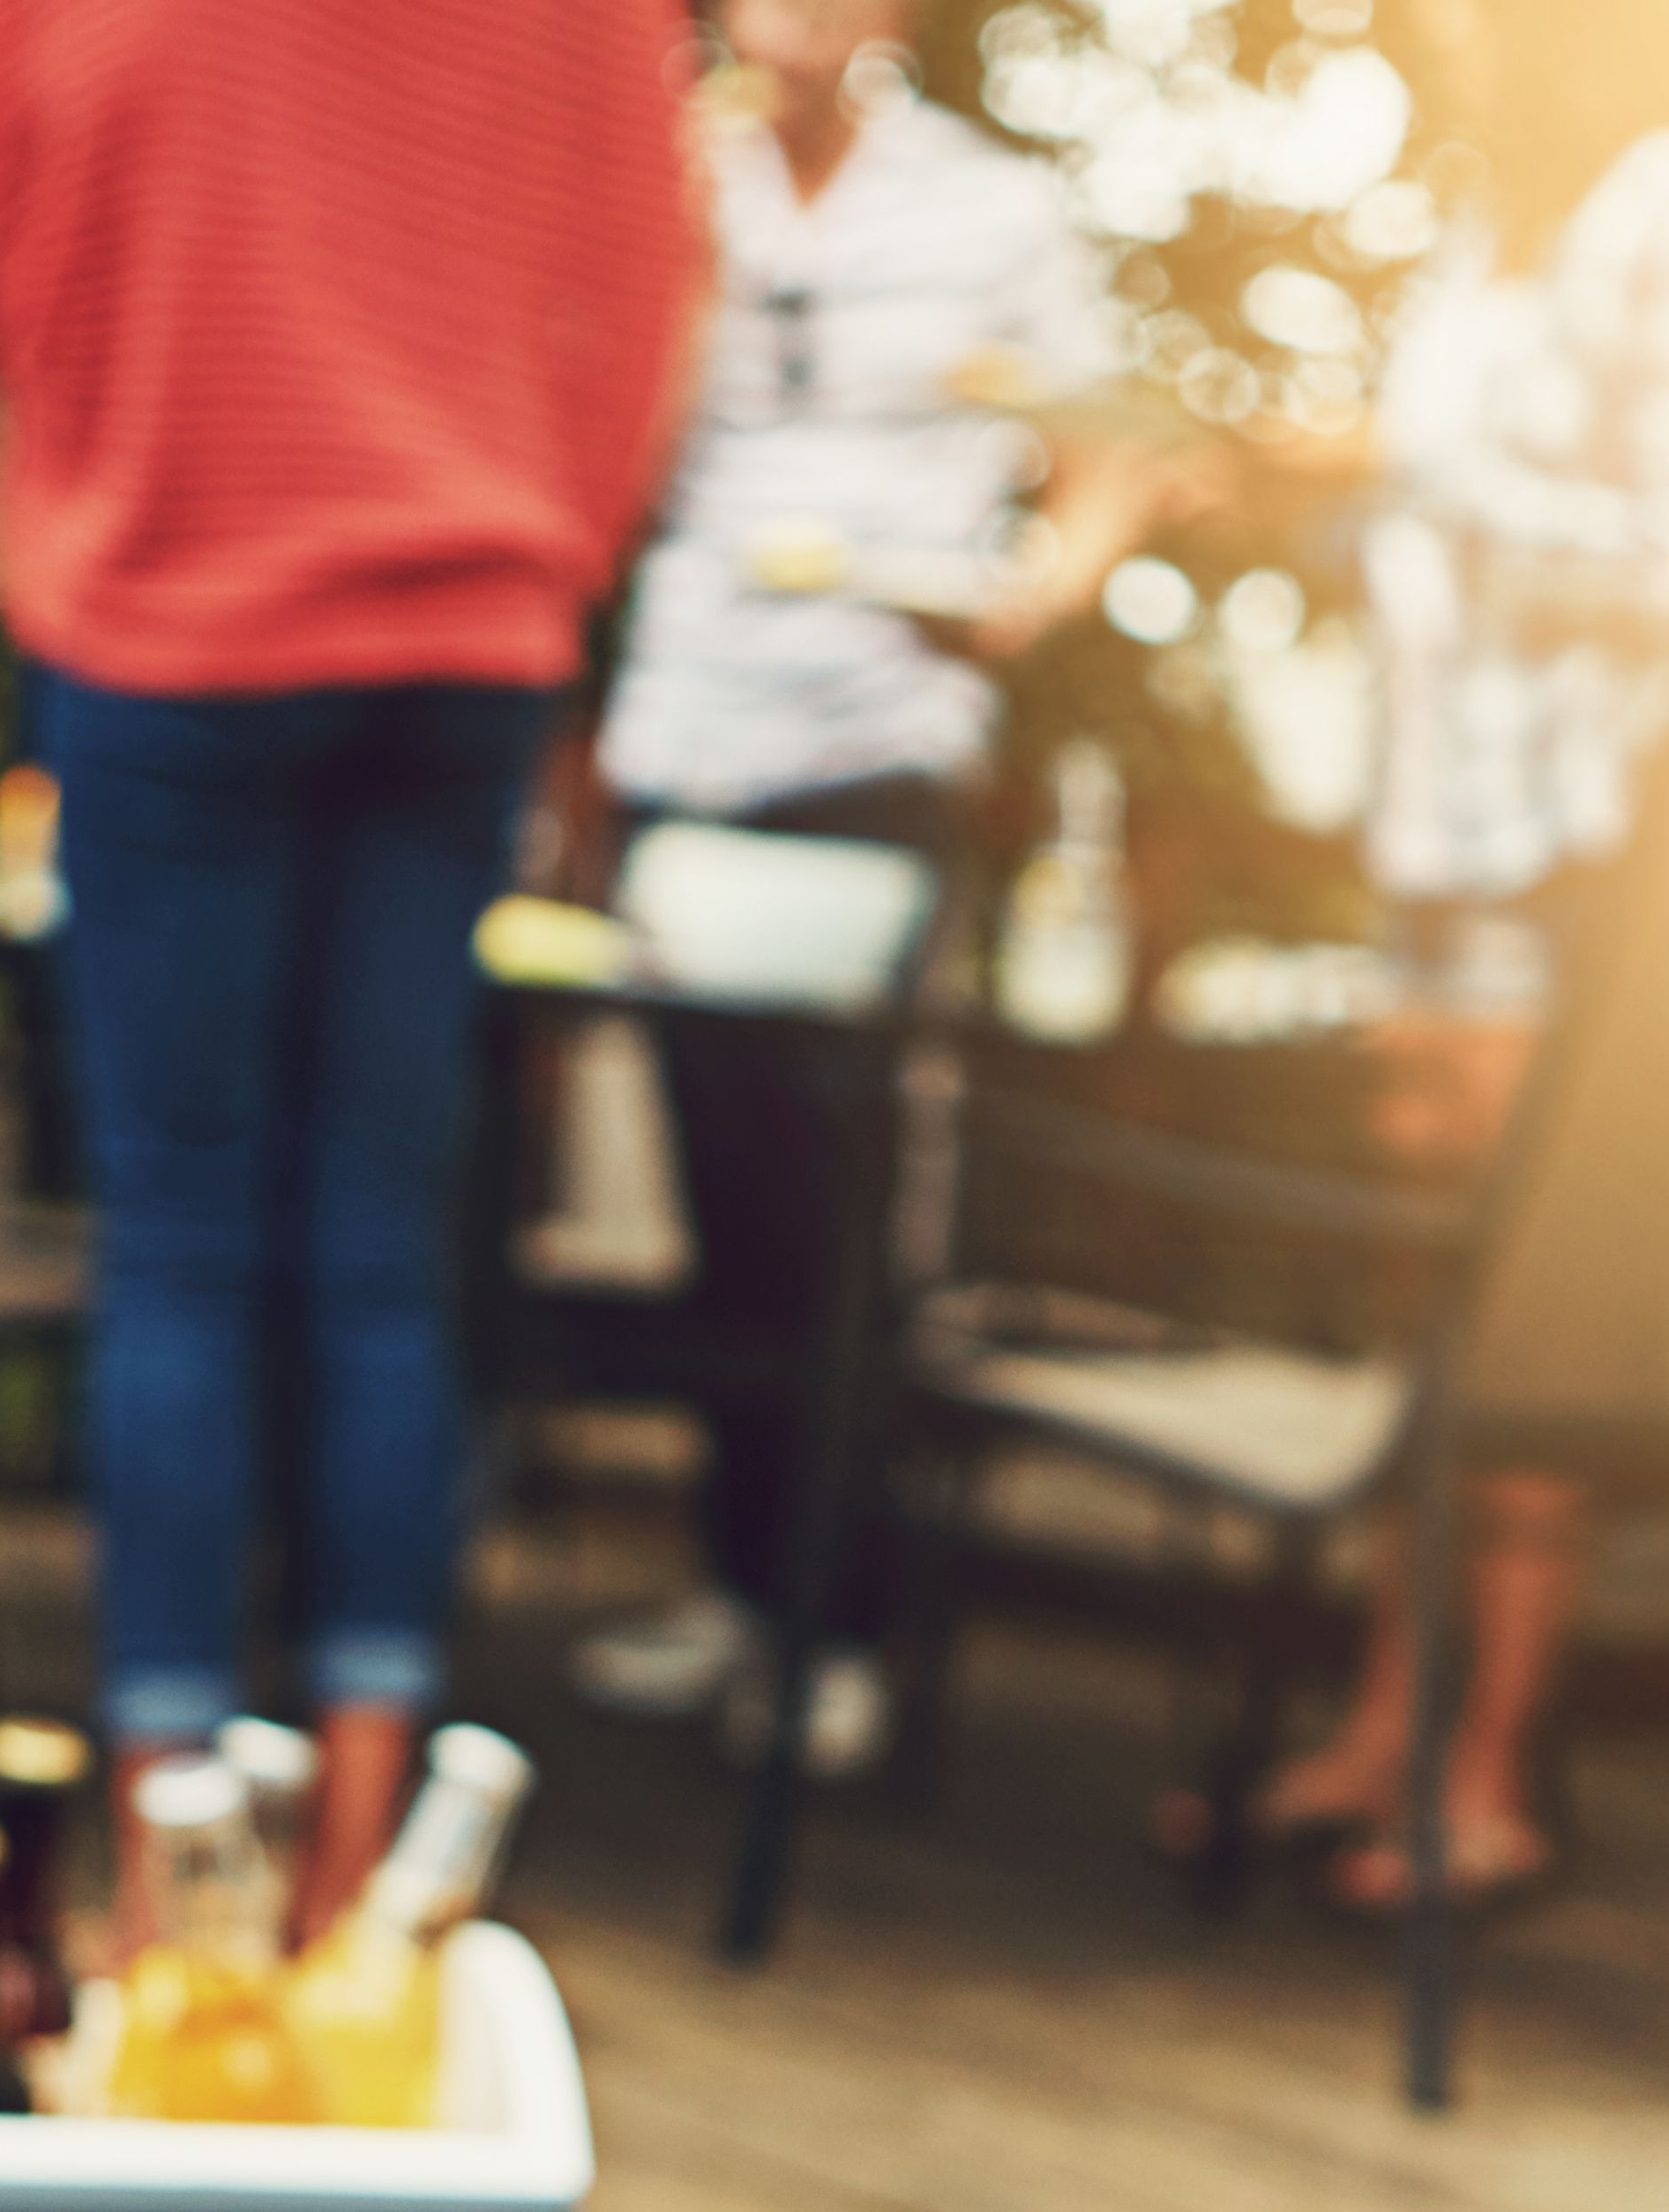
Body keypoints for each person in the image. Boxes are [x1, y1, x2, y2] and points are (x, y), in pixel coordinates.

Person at [0, 0, 705, 1938]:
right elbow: (655, 296)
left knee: (181, 1244)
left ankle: (168, 1891)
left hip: (180, 608)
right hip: (468, 626)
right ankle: (356, 1880)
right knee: (377, 1249)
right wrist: (549, 553)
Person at [569, 0, 1175, 1785]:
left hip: (878, 737)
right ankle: (742, 1584)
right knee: (713, 1191)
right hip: (691, 731)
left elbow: (1113, 451)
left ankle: (841, 1621)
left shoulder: (991, 212)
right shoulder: (674, 178)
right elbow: (612, 442)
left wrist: (1035, 595)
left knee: (836, 1196)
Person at [1212, 0, 1669, 1914]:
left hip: (1554, 867)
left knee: (1524, 1328)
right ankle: (1380, 1727)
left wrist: (1425, 468)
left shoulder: (1656, 202)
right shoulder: (1475, 227)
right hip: (1426, 852)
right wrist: (1330, 493)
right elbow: (1431, 541)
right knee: (1420, 1314)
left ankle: (1491, 1775)